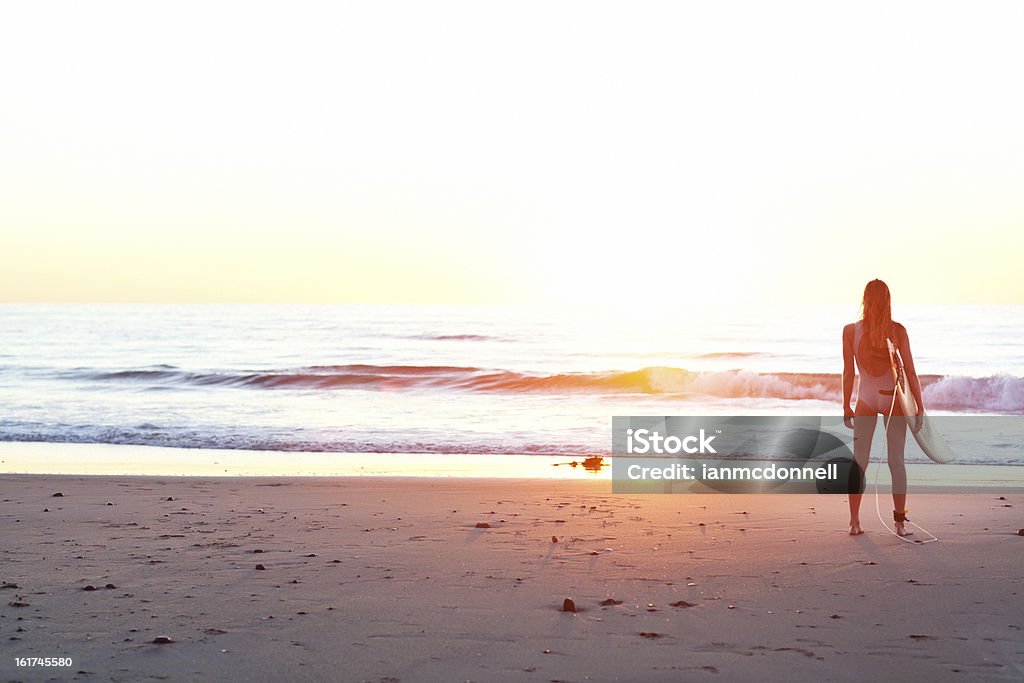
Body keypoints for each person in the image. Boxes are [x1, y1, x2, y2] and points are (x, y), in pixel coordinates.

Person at [842, 279, 925, 536]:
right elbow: (910, 371)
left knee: (859, 462)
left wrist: (845, 404)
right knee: (896, 461)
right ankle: (899, 524)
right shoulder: (898, 331)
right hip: (894, 401)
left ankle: (854, 523)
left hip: (865, 399)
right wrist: (919, 406)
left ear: (864, 300)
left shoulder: (850, 331)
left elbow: (848, 372)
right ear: (888, 300)